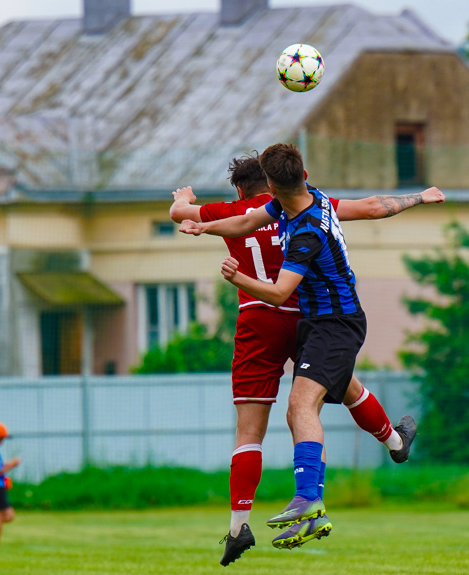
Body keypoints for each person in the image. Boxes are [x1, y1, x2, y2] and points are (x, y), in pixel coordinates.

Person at [172, 152, 445, 561]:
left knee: (290, 411)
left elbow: (279, 289)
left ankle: (297, 505)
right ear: (302, 176)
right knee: (337, 390)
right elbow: (369, 207)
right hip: (309, 320)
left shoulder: (306, 230)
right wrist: (420, 196)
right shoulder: (302, 200)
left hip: (320, 319)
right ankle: (393, 441)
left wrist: (235, 273)